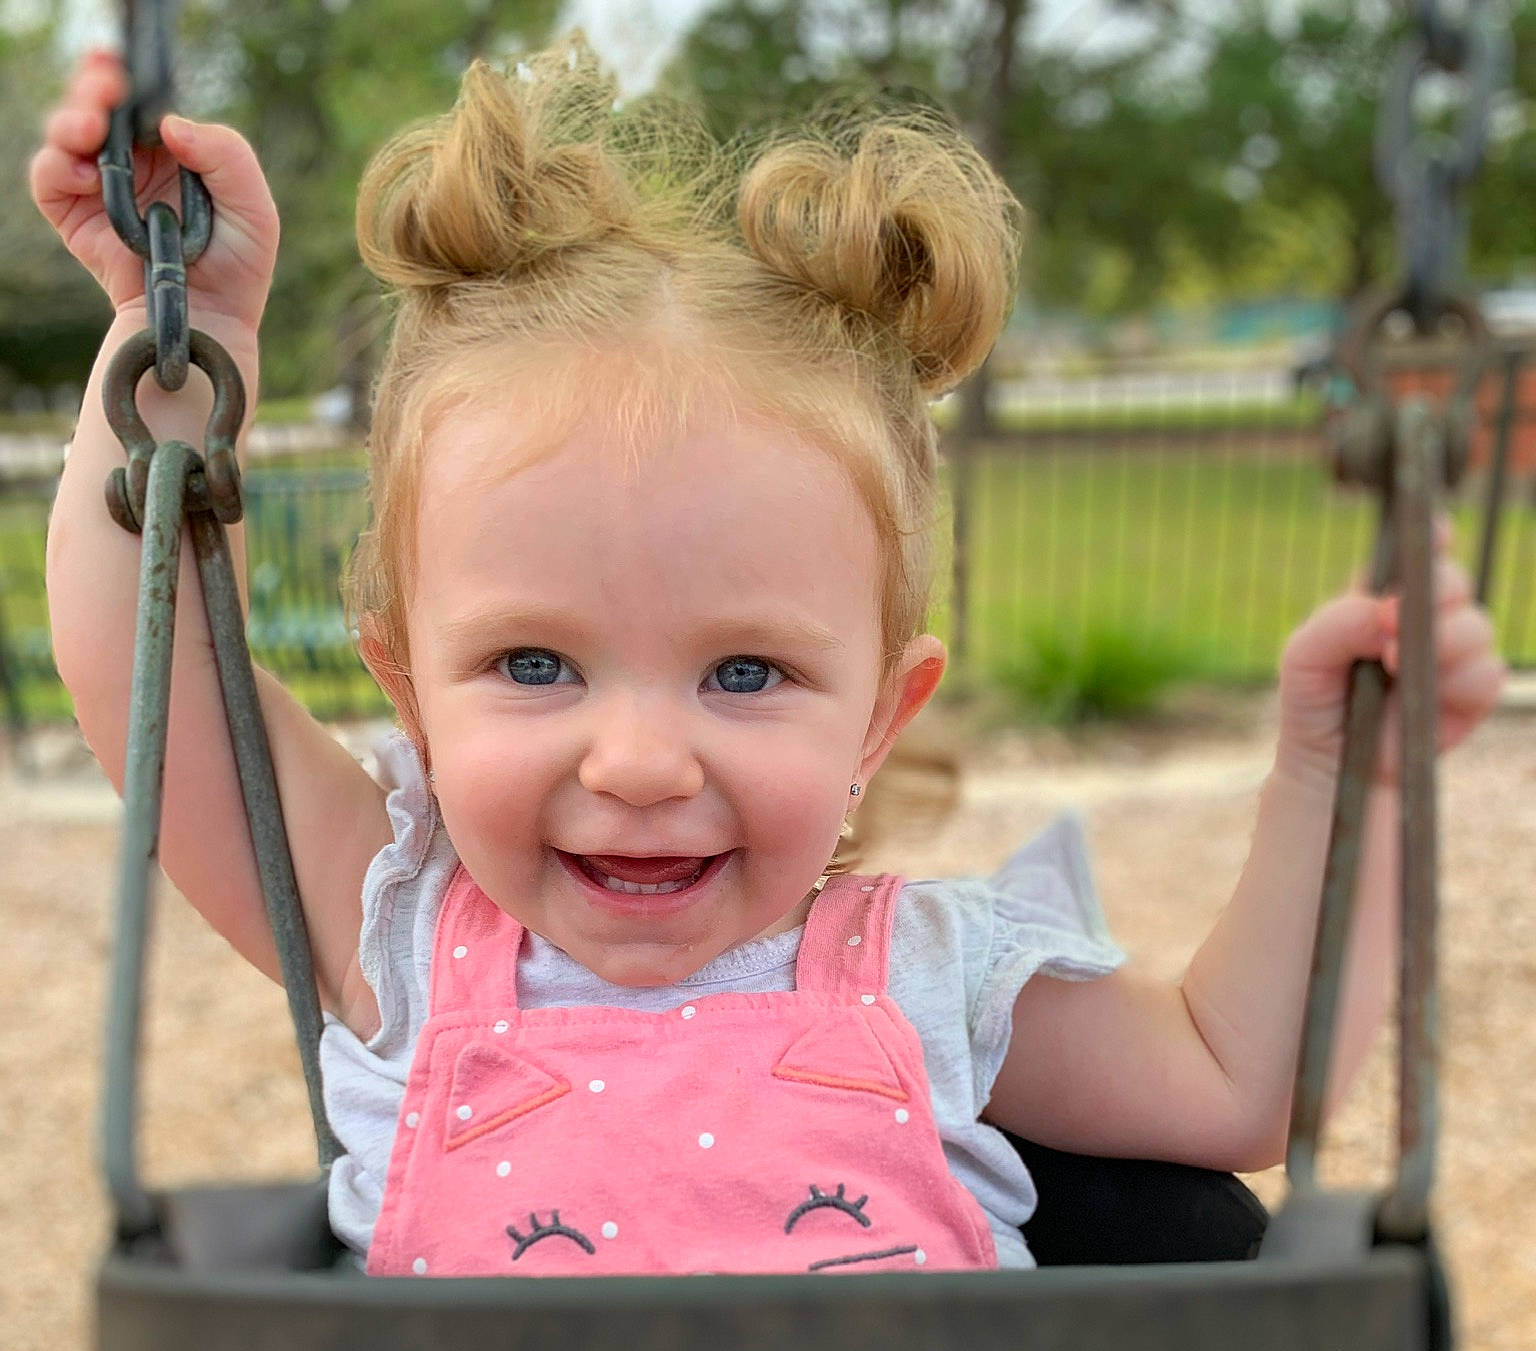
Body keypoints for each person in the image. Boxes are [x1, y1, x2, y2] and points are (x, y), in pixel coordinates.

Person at [32, 39, 1506, 1278]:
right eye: (536, 666)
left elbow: (1235, 1073)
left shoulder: (933, 988)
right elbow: (137, 664)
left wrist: (1343, 775)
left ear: (880, 715)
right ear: (408, 687)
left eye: (743, 675)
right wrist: (174, 336)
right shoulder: (400, 940)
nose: (639, 763)